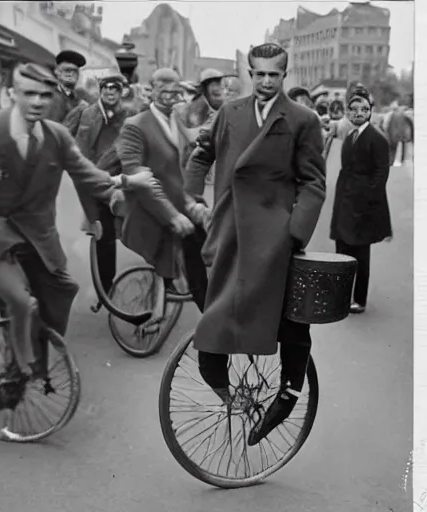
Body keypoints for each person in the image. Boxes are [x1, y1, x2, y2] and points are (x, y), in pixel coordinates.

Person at [0, 62, 156, 379]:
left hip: (38, 236)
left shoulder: (57, 135)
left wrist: (121, 188)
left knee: (60, 292)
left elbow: (87, 174)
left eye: (44, 95)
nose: (37, 102)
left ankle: (27, 362)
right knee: (19, 302)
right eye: (29, 94)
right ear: (12, 94)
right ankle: (13, 375)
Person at [184, 43, 326, 446]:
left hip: (275, 235)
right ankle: (224, 384)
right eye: (259, 73)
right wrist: (195, 201)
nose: (266, 81)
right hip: (230, 229)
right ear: (249, 73)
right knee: (219, 311)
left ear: (285, 74)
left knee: (290, 319)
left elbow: (314, 182)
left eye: (274, 74)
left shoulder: (302, 120)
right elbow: (201, 156)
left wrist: (294, 232)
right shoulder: (229, 113)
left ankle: (287, 394)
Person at [115, 68, 208, 309]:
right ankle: (210, 320)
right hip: (151, 213)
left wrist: (191, 203)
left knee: (215, 245)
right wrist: (173, 215)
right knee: (198, 267)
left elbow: (183, 168)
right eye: (162, 87)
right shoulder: (135, 126)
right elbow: (141, 181)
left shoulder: (176, 120)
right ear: (151, 90)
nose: (169, 92)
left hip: (180, 206)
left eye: (174, 88)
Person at [330, 86, 392, 314]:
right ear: (347, 112)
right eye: (353, 109)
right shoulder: (350, 135)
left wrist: (368, 200)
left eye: (363, 109)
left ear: (370, 112)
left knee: (360, 254)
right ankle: (342, 296)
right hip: (345, 201)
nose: (358, 113)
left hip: (363, 205)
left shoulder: (377, 138)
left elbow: (381, 173)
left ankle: (359, 299)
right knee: (342, 249)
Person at [70, 74, 129, 297]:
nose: (110, 92)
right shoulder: (89, 113)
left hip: (116, 181)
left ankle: (159, 279)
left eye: (115, 88)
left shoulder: (129, 116)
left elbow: (125, 149)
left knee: (114, 231)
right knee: (101, 232)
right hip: (92, 180)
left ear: (121, 92)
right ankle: (105, 287)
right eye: (106, 88)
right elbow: (80, 146)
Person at [47, 50, 88, 123]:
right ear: (57, 72)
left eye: (75, 71)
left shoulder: (77, 98)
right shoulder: (51, 95)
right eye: (67, 70)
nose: (71, 74)